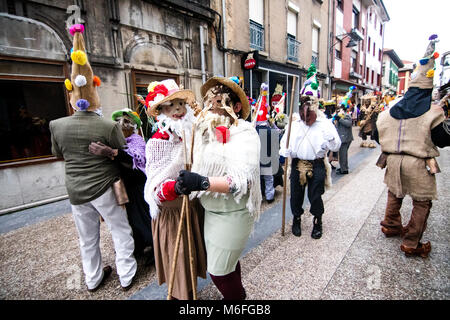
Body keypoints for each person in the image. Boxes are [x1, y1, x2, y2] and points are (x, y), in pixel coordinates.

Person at [49, 24, 137, 292]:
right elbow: (124, 154)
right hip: (105, 188)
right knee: (120, 230)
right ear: (94, 94)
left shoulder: (56, 125)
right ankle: (126, 275)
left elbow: (58, 154)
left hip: (76, 190)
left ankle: (93, 278)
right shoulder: (106, 126)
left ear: (72, 98)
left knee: (87, 238)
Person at [175, 76, 261, 300]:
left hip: (234, 214)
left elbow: (241, 181)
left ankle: (237, 300)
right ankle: (238, 294)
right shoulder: (206, 132)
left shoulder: (245, 132)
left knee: (219, 272)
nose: (211, 107)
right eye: (208, 102)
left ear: (236, 107)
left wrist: (201, 182)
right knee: (228, 263)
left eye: (218, 102)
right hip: (211, 213)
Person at [376, 35, 449, 258]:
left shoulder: (389, 112)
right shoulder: (433, 111)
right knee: (421, 202)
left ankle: (390, 225)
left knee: (394, 193)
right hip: (418, 162)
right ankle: (411, 242)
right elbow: (443, 139)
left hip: (393, 159)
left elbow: (380, 134)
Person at [143, 79, 207, 300]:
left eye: (181, 103)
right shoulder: (156, 143)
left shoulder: (191, 135)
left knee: (192, 261)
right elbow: (155, 186)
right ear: (160, 110)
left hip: (192, 209)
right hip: (172, 215)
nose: (179, 109)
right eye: (172, 104)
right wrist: (176, 187)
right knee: (179, 265)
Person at [279, 64, 341, 239]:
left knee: (315, 196)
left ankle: (317, 221)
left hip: (317, 164)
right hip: (298, 164)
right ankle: (297, 218)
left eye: (310, 103)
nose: (306, 108)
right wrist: (285, 151)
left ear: (317, 104)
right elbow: (284, 144)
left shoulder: (325, 123)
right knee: (296, 196)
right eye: (304, 103)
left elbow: (336, 146)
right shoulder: (294, 122)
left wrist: (330, 137)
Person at [88, 108, 154, 264]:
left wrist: (112, 152)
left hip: (138, 185)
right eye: (119, 125)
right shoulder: (117, 142)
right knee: (129, 219)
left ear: (131, 127)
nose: (122, 127)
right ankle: (138, 245)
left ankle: (154, 248)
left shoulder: (137, 141)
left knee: (143, 218)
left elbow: (134, 159)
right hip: (123, 186)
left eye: (125, 124)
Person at [334, 104, 354, 174]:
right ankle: (343, 167)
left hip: (345, 138)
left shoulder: (346, 115)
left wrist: (340, 119)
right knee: (342, 154)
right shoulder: (340, 115)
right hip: (342, 137)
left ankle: (344, 169)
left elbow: (348, 124)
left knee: (343, 155)